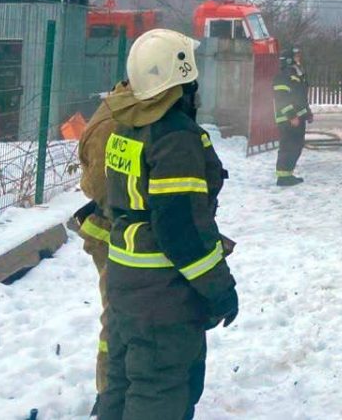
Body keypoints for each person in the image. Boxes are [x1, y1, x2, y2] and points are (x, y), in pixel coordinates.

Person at [98, 29, 238, 420]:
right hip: (163, 295)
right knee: (160, 393)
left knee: (123, 384)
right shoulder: (175, 138)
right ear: (181, 78)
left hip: (127, 284)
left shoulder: (126, 127)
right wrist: (221, 289)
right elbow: (182, 233)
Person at [75, 79, 175, 411]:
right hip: (114, 235)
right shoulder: (117, 121)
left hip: (125, 233)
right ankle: (109, 394)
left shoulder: (133, 108)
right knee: (117, 320)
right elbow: (101, 187)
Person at [272, 51, 309, 186]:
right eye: (296, 57)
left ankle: (288, 174)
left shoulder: (296, 75)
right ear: (288, 60)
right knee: (288, 146)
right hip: (288, 119)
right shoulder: (283, 76)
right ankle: (283, 177)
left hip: (297, 118)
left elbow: (300, 98)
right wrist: (291, 115)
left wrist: (307, 113)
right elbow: (281, 98)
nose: (299, 58)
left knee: (296, 146)